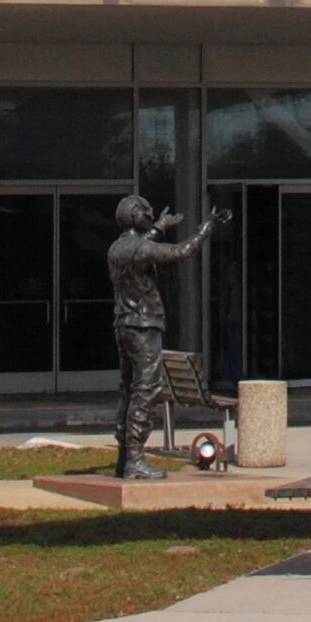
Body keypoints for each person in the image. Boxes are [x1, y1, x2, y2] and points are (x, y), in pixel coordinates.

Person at [106, 195, 220, 480]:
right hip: (144, 326)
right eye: (146, 212)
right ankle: (135, 461)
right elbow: (181, 252)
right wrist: (206, 230)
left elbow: (142, 250)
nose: (150, 215)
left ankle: (124, 458)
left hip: (124, 324)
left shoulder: (117, 247)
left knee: (128, 390)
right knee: (147, 389)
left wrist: (159, 227)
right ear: (135, 215)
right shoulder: (141, 249)